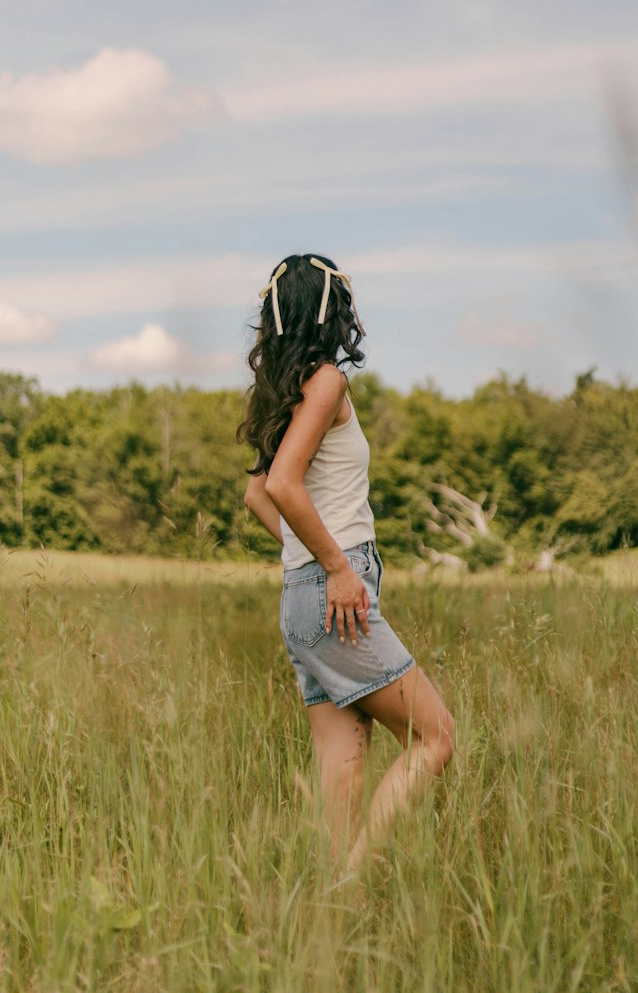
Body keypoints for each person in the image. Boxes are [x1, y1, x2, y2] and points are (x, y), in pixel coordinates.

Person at [238, 253, 454, 875]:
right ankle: (354, 881)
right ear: (333, 310)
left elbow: (258, 492)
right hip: (333, 584)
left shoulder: (285, 391)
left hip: (302, 597)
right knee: (434, 738)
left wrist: (309, 560)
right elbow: (281, 485)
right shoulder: (326, 379)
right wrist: (333, 566)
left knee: (342, 755)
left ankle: (331, 901)